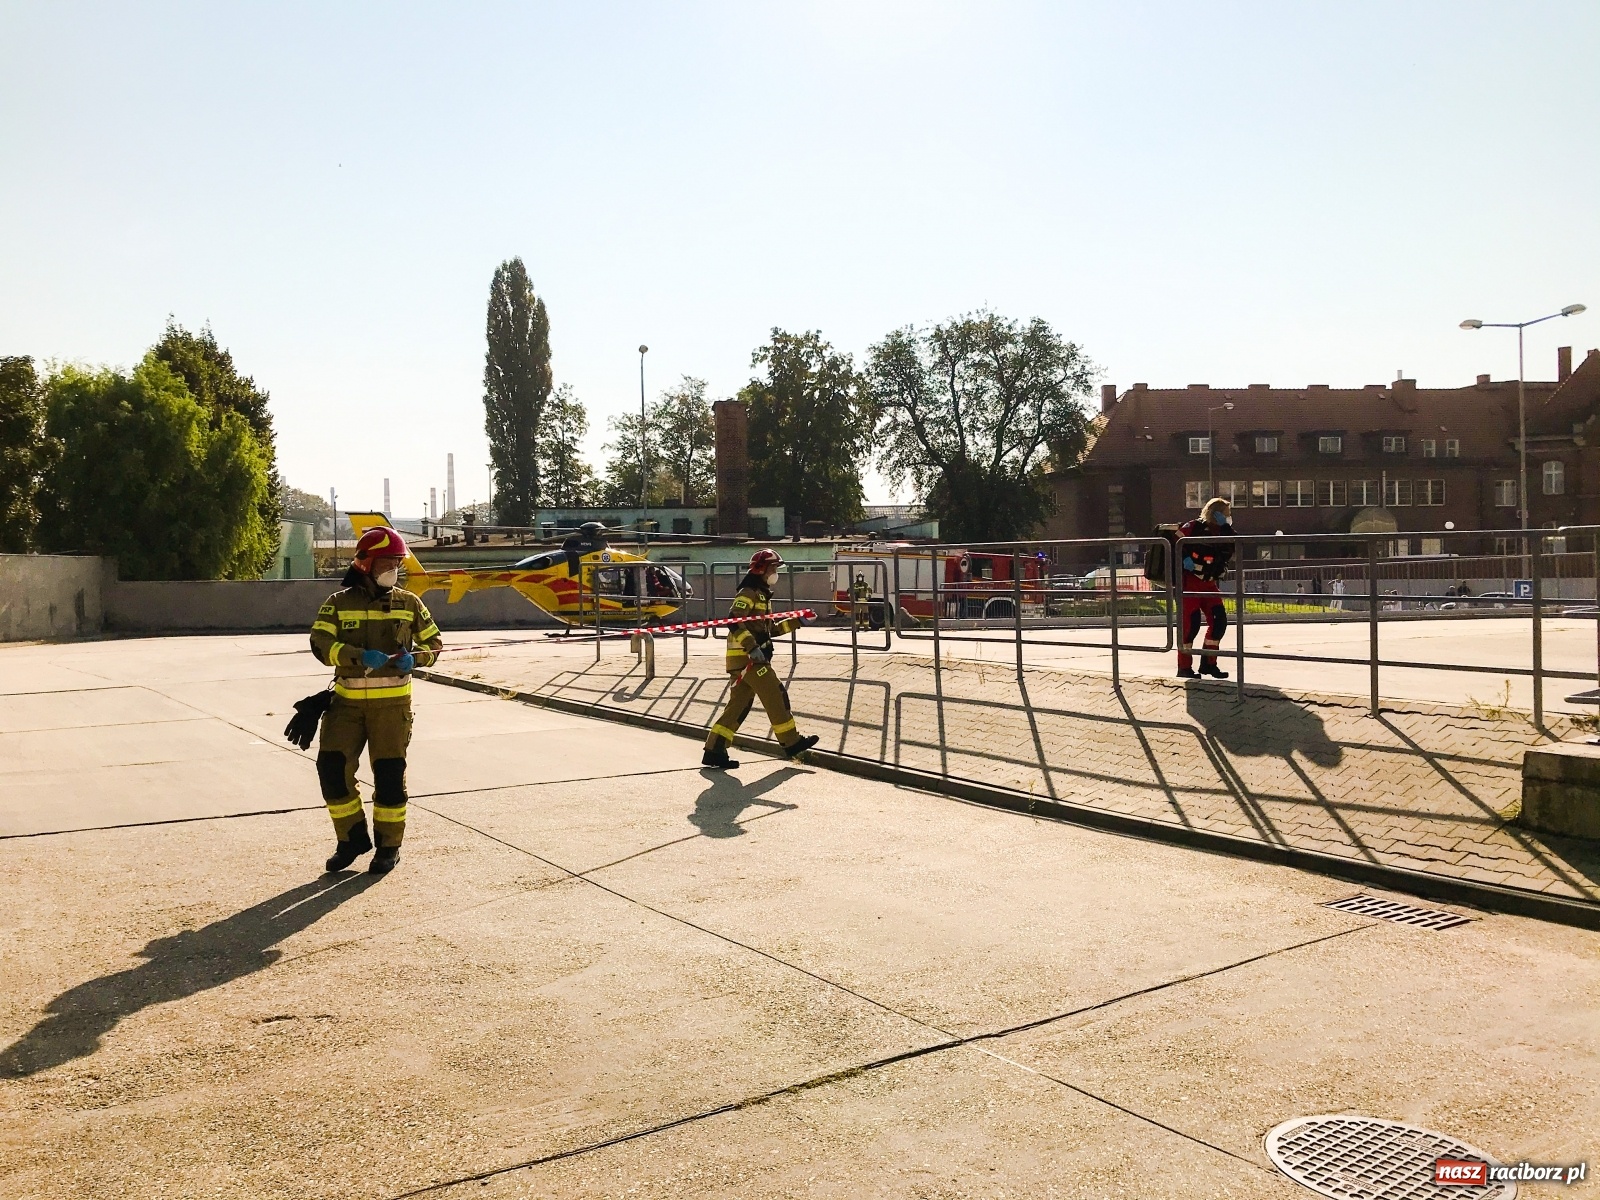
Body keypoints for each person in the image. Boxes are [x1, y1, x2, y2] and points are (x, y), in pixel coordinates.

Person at [308, 526, 442, 874]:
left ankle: (388, 847)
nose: (392, 570)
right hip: (346, 707)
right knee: (332, 771)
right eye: (386, 562)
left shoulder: (410, 603)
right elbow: (321, 645)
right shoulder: (337, 604)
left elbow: (435, 644)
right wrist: (356, 655)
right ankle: (351, 839)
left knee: (389, 777)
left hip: (391, 710)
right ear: (365, 564)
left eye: (396, 563)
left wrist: (418, 658)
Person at [702, 548, 820, 769]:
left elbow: (770, 630)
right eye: (774, 568)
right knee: (776, 695)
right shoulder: (749, 592)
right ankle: (792, 743)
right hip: (750, 661)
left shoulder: (761, 594)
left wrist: (798, 621)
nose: (777, 572)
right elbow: (734, 621)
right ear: (762, 569)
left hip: (745, 661)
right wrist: (752, 648)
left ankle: (714, 750)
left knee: (739, 707)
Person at [1174, 497, 1236, 679]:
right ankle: (1184, 667)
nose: (1228, 517)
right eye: (1225, 514)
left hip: (1209, 583)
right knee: (1190, 626)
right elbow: (1174, 542)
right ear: (1215, 513)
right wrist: (1183, 558)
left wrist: (1225, 526)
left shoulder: (1224, 531)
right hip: (1190, 582)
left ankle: (1209, 664)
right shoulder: (1194, 527)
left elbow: (1232, 545)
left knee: (1219, 623)